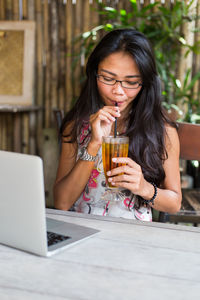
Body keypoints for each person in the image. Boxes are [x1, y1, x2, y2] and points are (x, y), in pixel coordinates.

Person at [53, 28, 182, 221]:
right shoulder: (76, 127)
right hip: (82, 234)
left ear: (145, 83)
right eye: (107, 78)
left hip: (133, 239)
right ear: (94, 74)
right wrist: (94, 144)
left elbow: (174, 203)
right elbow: (61, 203)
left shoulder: (163, 131)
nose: (118, 91)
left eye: (131, 82)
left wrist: (143, 187)